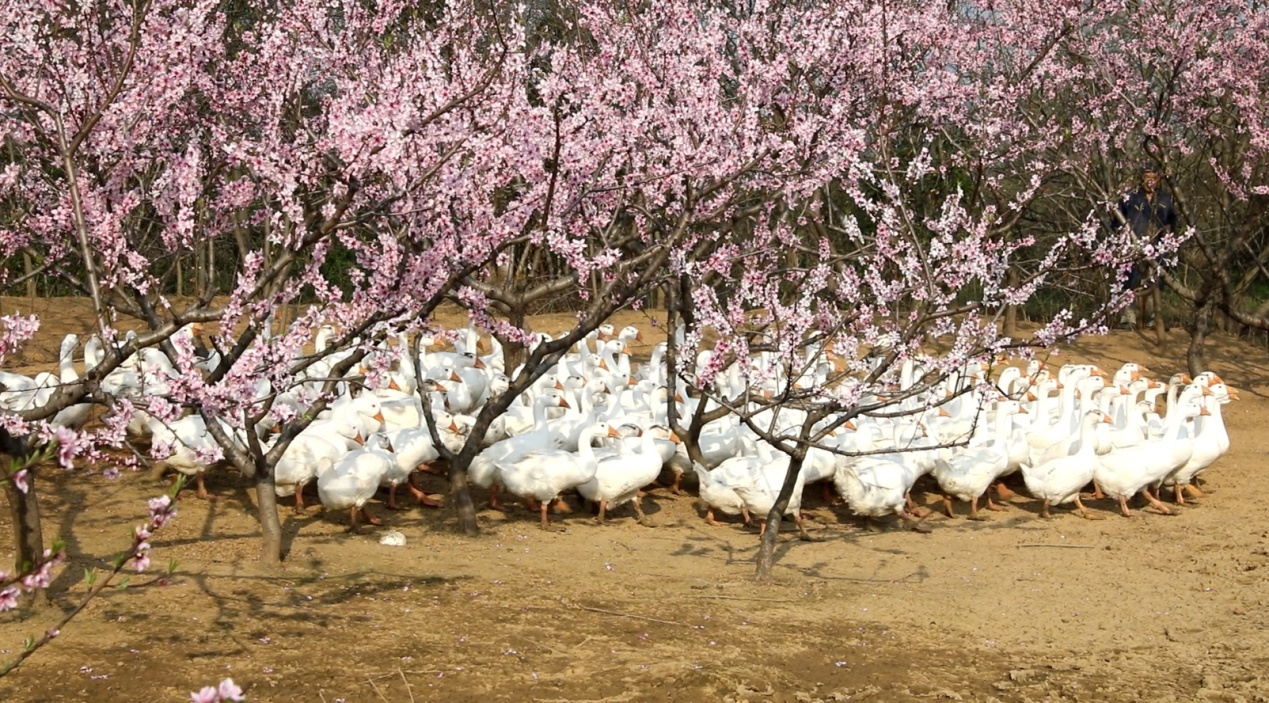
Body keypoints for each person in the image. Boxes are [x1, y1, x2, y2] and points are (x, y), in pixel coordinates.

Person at [1115, 166, 1176, 328]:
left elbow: (1172, 221)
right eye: (1146, 177)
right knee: (1130, 280)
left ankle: (1155, 319)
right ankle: (1128, 318)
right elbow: (1116, 220)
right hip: (1133, 244)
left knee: (1155, 281)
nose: (1150, 181)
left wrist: (1168, 235)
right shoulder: (1130, 197)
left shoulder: (1165, 198)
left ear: (1159, 179)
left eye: (1153, 177)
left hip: (1158, 245)